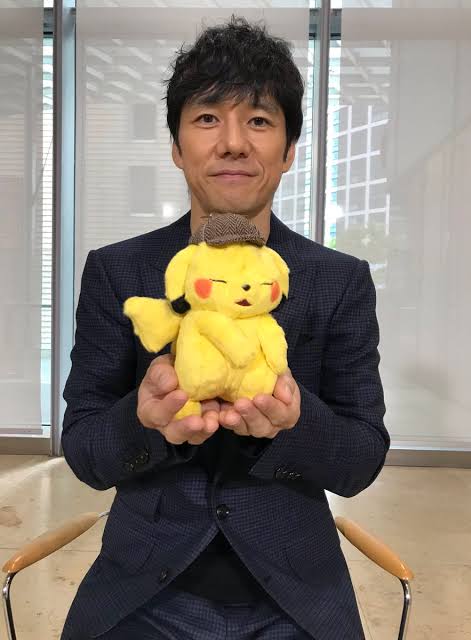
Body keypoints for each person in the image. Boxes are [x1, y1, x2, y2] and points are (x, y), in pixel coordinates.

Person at [60, 14, 389, 640]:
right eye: (208, 118)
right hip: (144, 587)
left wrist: (296, 422)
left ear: (288, 151)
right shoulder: (118, 271)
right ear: (177, 147)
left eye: (259, 121)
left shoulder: (339, 280)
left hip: (295, 592)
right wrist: (144, 419)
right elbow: (83, 448)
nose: (233, 142)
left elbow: (362, 458)